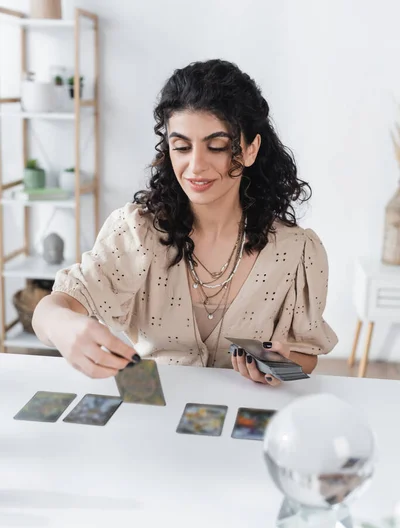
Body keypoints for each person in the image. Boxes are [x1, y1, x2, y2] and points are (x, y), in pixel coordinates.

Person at [32, 59, 338, 386]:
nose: (195, 166)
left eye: (216, 146)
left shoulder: (295, 250)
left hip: (247, 419)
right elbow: (55, 306)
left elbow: (308, 355)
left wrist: (281, 362)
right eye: (181, 147)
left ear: (250, 149)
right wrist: (62, 326)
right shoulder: (138, 232)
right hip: (155, 408)